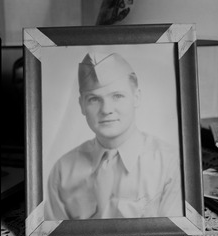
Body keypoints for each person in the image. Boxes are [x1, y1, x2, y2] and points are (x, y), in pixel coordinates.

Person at [45, 52, 184, 220]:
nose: (106, 110)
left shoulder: (170, 164)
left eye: (117, 96)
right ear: (81, 105)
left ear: (136, 98)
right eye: (94, 99)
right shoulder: (63, 170)